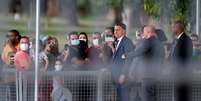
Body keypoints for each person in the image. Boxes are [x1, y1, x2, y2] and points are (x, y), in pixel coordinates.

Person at [126, 25, 164, 101]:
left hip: (147, 76)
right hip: (156, 74)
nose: (143, 34)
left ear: (148, 32)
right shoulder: (160, 43)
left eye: (144, 32)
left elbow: (138, 52)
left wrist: (125, 55)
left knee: (147, 97)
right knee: (154, 96)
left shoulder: (147, 42)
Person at [111, 23, 135, 101]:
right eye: (114, 30)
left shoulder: (127, 42)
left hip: (123, 77)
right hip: (117, 76)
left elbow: (129, 60)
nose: (115, 32)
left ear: (124, 31)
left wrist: (123, 74)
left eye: (118, 30)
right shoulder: (117, 42)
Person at [170, 21, 193, 101]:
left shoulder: (186, 40)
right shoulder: (176, 40)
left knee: (182, 96)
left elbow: (186, 57)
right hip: (177, 73)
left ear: (178, 28)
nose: (172, 29)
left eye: (173, 27)